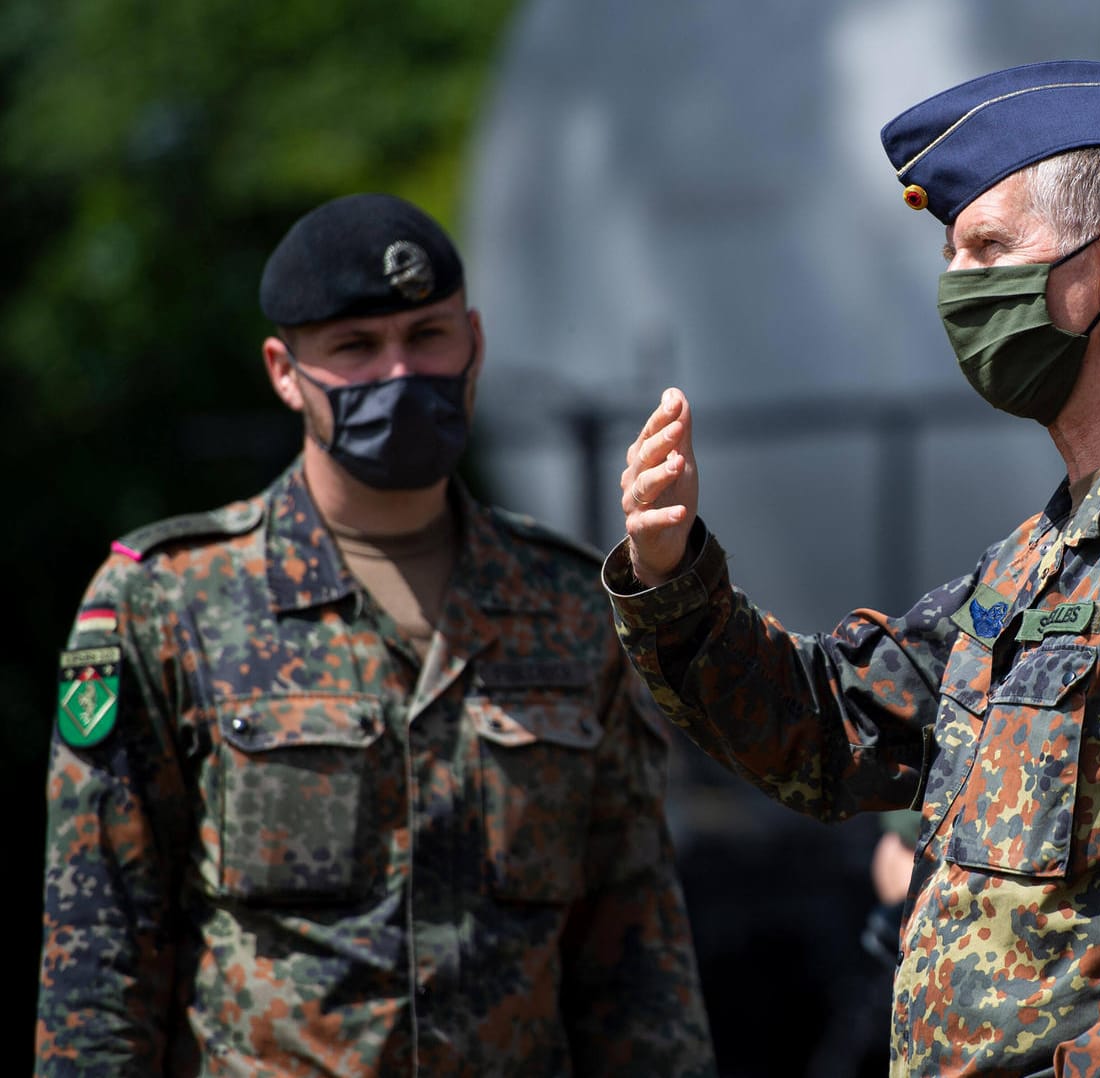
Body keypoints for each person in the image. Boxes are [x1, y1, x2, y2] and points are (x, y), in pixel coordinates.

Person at [604, 60, 1100, 1075]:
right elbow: (830, 729)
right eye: (954, 255)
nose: (958, 287)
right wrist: (672, 572)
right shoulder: (1045, 557)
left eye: (988, 248)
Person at [36, 193, 714, 1076]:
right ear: (285, 371)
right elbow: (100, 950)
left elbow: (635, 945)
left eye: (427, 337)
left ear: (474, 339)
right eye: (356, 349)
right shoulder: (168, 602)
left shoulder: (572, 602)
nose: (400, 374)